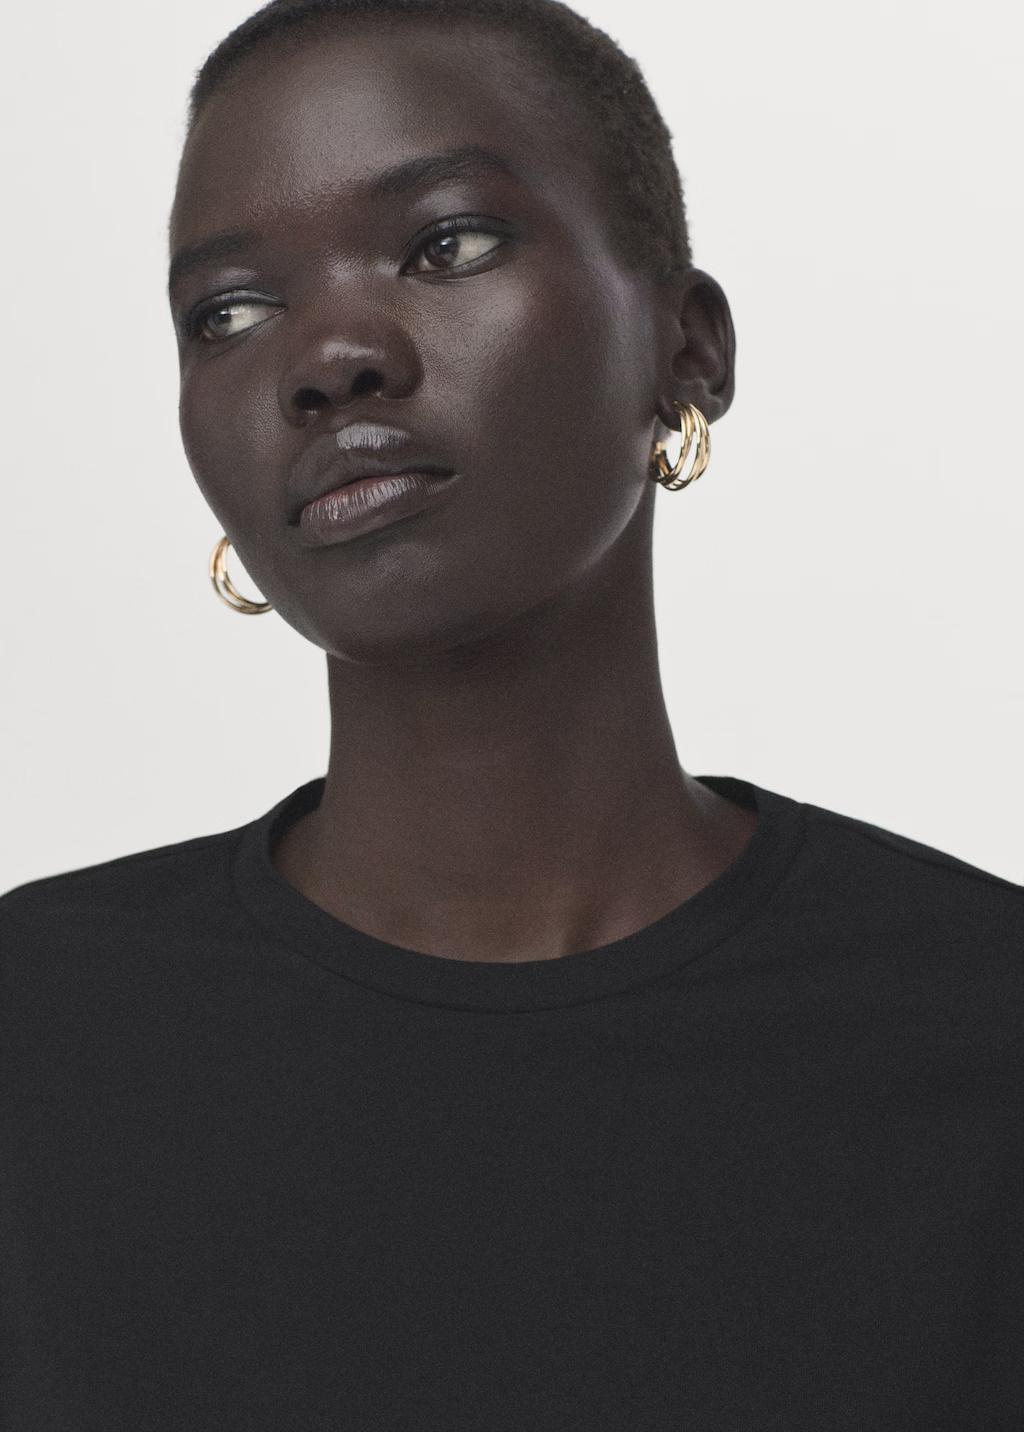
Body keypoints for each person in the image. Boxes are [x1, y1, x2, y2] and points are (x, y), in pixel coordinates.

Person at [2, 0, 1021, 1427]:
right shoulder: (36, 1042)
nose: (331, 358)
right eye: (229, 312)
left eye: (448, 246)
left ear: (688, 347)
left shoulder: (981, 1027)